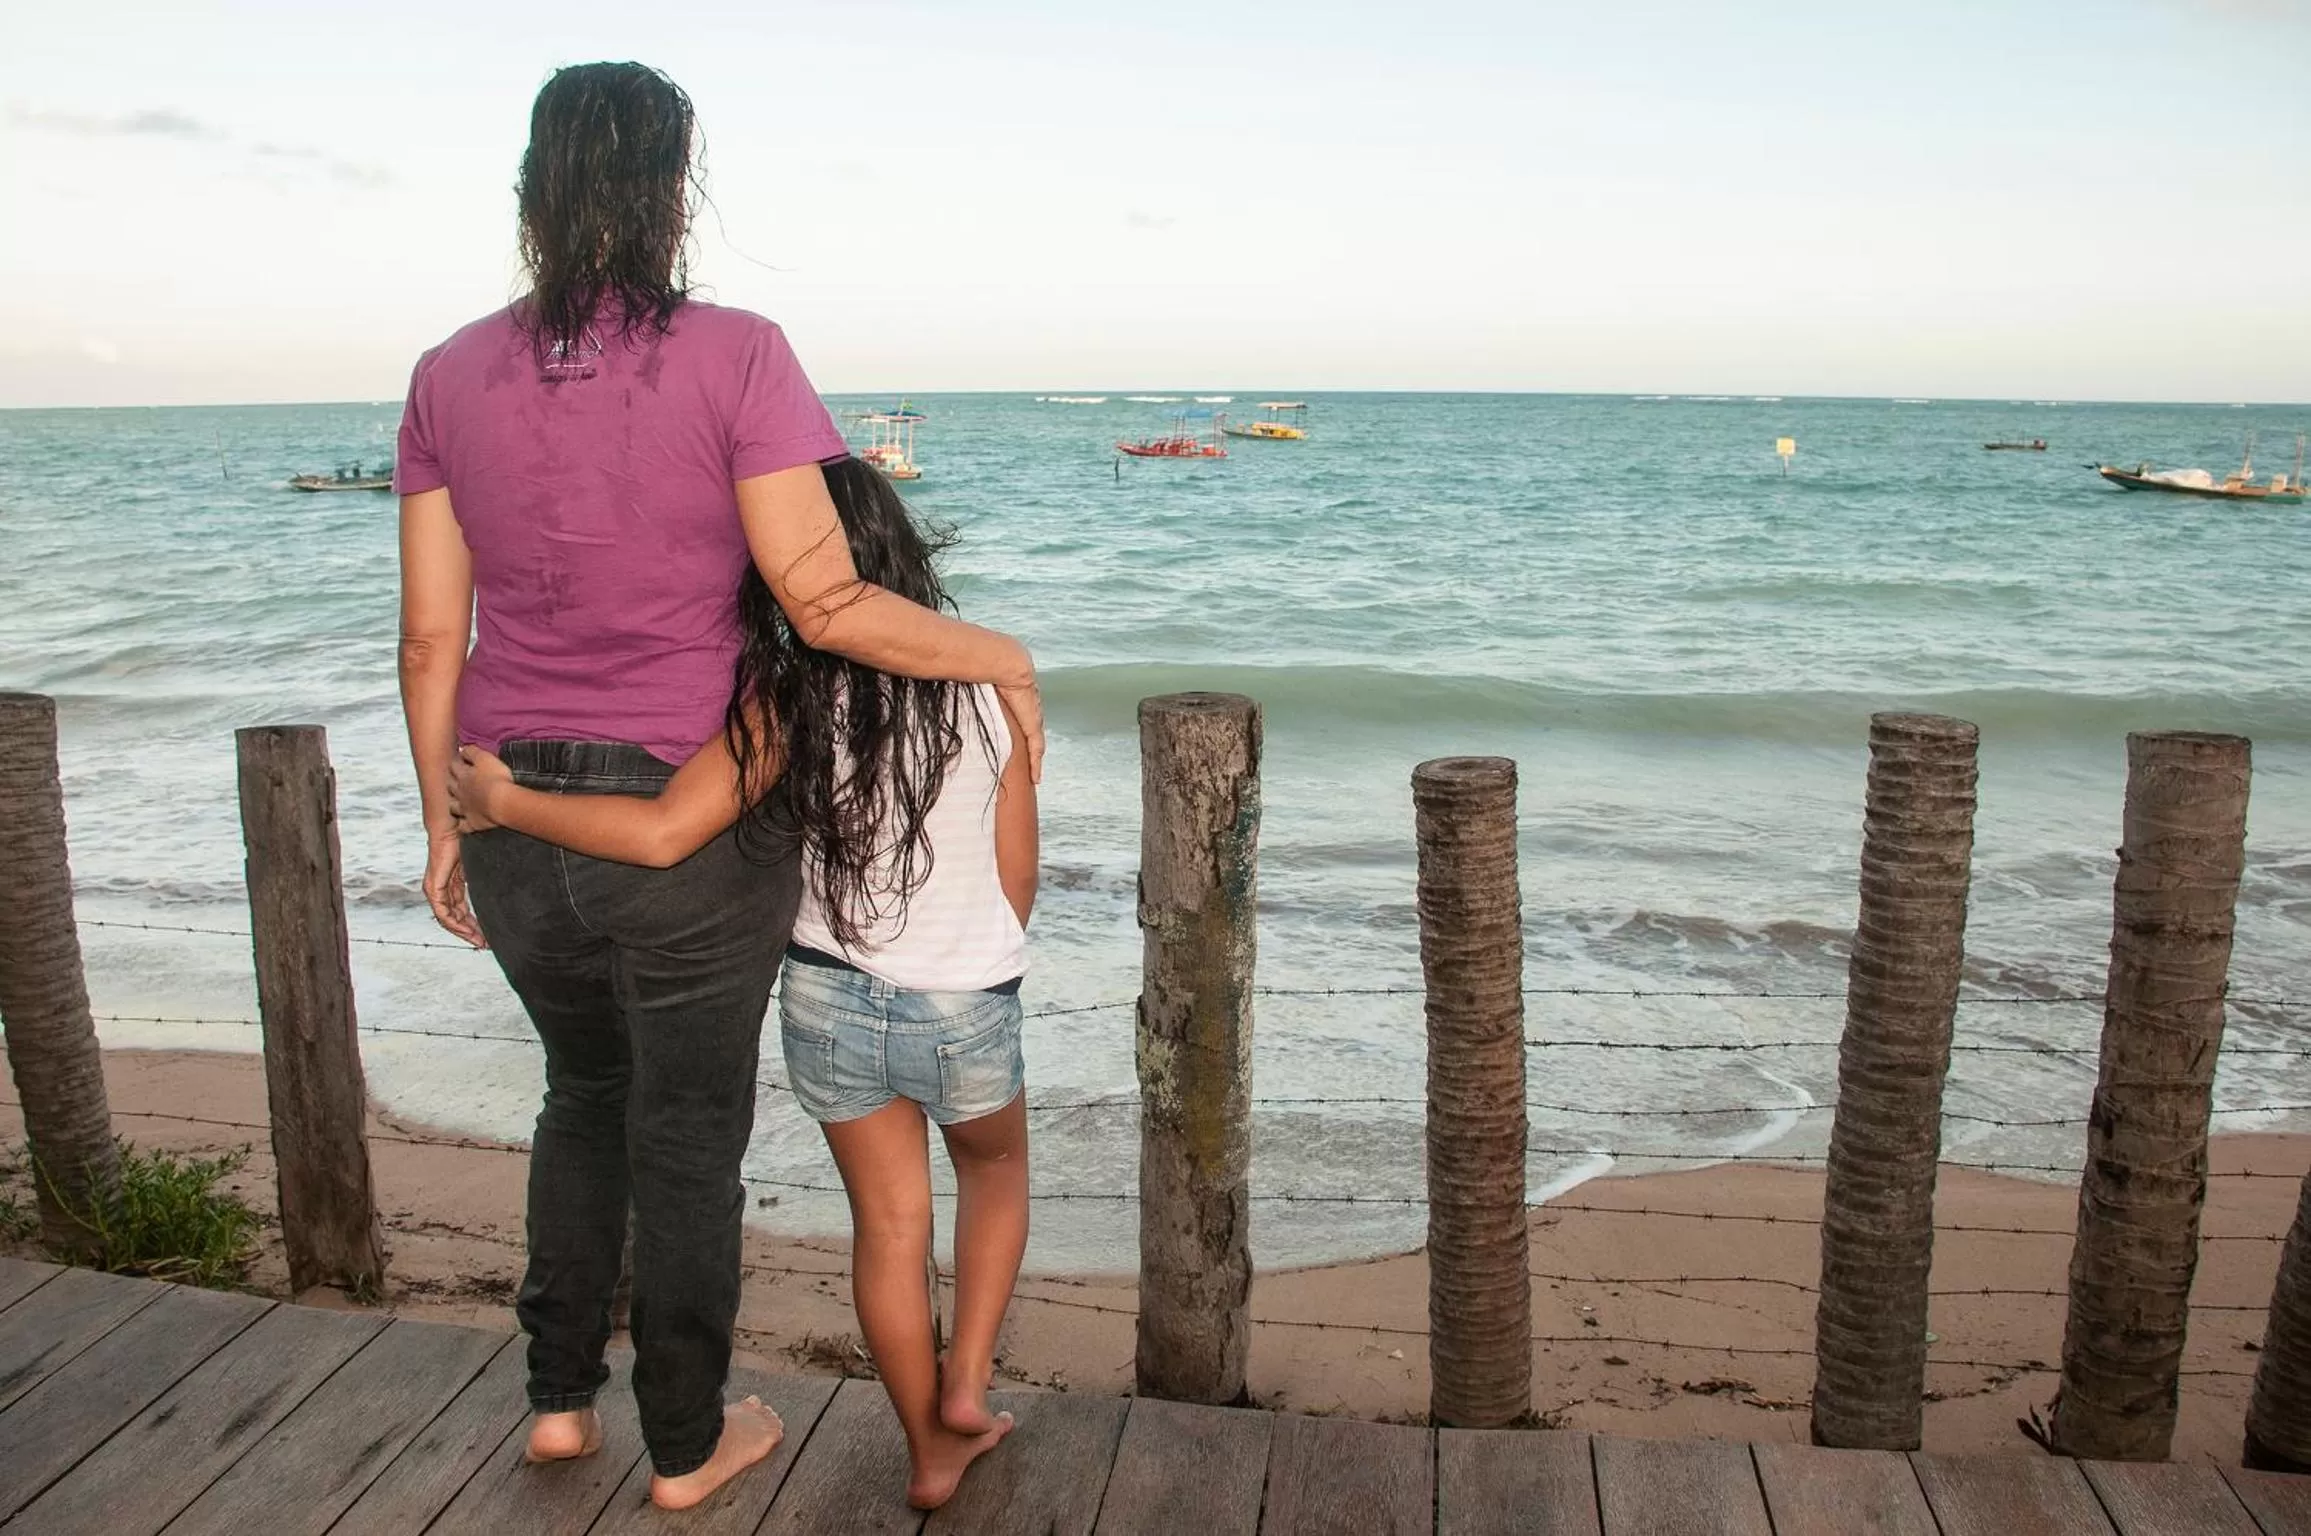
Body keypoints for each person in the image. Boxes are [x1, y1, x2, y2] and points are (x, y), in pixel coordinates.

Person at [394, 62, 1040, 1512]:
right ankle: (687, 1438)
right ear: (674, 192)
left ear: (530, 193)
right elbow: (822, 600)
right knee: (684, 1139)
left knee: (582, 1098)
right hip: (680, 823)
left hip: (511, 804)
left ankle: (558, 1403)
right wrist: (1002, 656)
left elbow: (433, 636)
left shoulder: (444, 375)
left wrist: (448, 817)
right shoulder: (740, 354)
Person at [448, 455, 1037, 1511]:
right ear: (905, 556)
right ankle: (966, 1384)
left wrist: (504, 804)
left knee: (889, 1230)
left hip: (826, 998)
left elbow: (666, 830)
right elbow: (1016, 887)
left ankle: (929, 1452)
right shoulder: (985, 696)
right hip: (964, 999)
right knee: (993, 1180)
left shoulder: (782, 704)